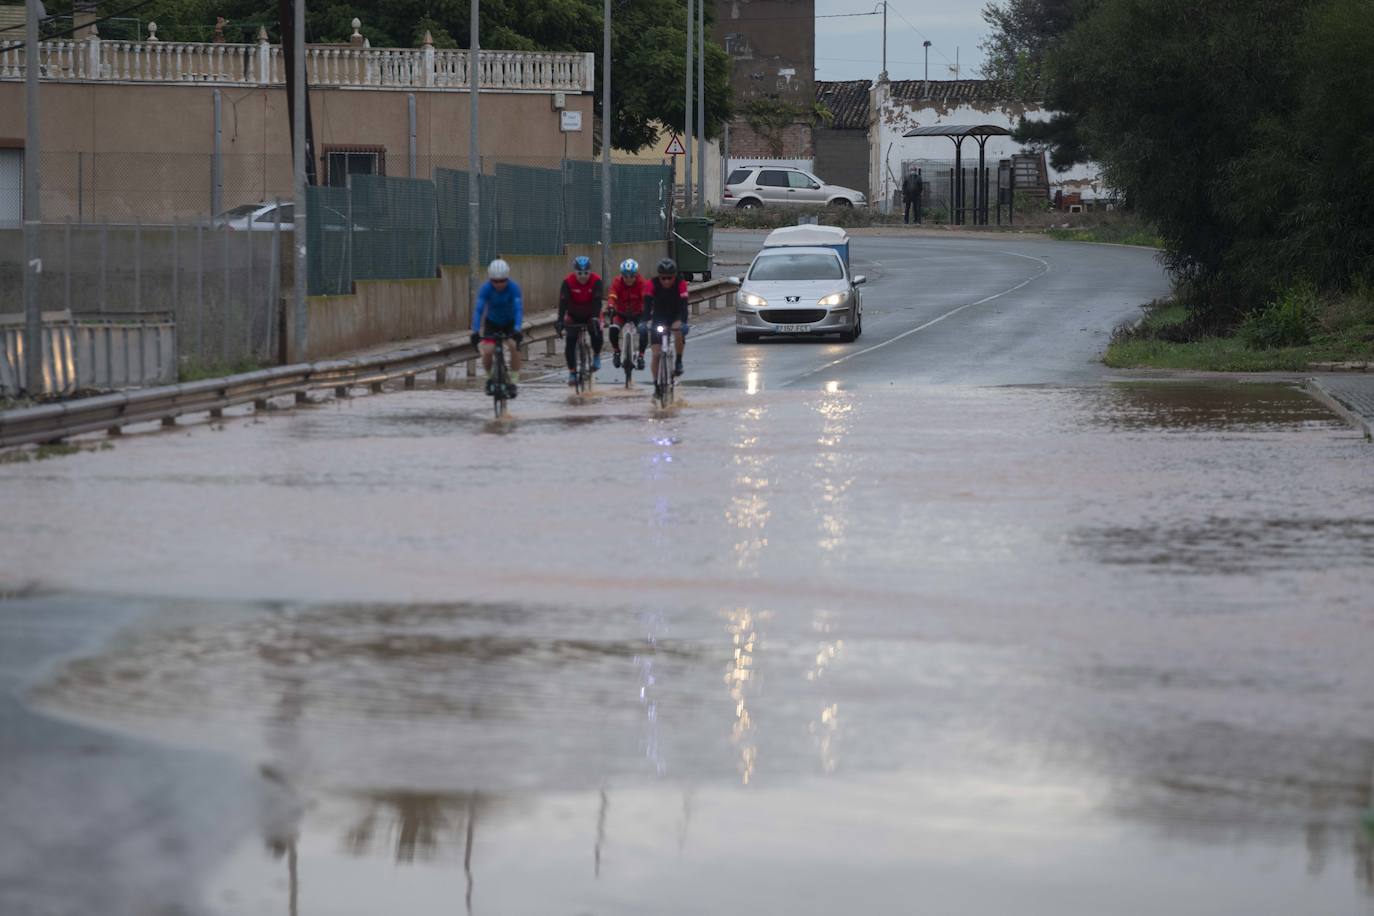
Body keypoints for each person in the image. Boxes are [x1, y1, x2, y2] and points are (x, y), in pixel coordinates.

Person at [469, 258, 523, 397]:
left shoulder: (513, 287)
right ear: (490, 279)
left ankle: (513, 381)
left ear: (507, 278)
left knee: (514, 347)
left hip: (509, 323)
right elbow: (478, 310)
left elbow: (518, 309)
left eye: (502, 281)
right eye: (495, 281)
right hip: (492, 323)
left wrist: (517, 328)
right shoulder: (486, 288)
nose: (499, 284)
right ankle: (489, 378)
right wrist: (475, 331)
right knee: (488, 351)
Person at [556, 255, 605, 385]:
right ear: (575, 272)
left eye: (586, 273)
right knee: (570, 342)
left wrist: (594, 317)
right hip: (573, 314)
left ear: (590, 271)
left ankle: (596, 355)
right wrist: (560, 320)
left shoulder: (596, 281)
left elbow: (597, 302)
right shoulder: (567, 282)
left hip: (591, 313)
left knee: (597, 333)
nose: (583, 276)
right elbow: (563, 302)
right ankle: (572, 372)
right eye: (580, 273)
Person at [645, 257, 689, 398]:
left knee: (677, 331)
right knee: (656, 355)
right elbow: (646, 306)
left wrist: (683, 323)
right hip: (659, 317)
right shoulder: (652, 284)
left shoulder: (681, 284)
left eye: (669, 278)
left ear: (674, 276)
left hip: (675, 316)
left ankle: (678, 360)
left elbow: (684, 306)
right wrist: (643, 322)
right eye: (663, 278)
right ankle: (656, 386)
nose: (666, 281)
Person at [606, 258, 651, 370]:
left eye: (632, 276)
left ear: (636, 275)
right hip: (621, 313)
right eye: (626, 276)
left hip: (637, 313)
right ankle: (616, 352)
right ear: (622, 275)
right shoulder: (617, 282)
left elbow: (645, 297)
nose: (629, 279)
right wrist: (611, 306)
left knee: (643, 330)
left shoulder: (642, 282)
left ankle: (641, 356)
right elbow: (612, 295)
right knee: (613, 329)